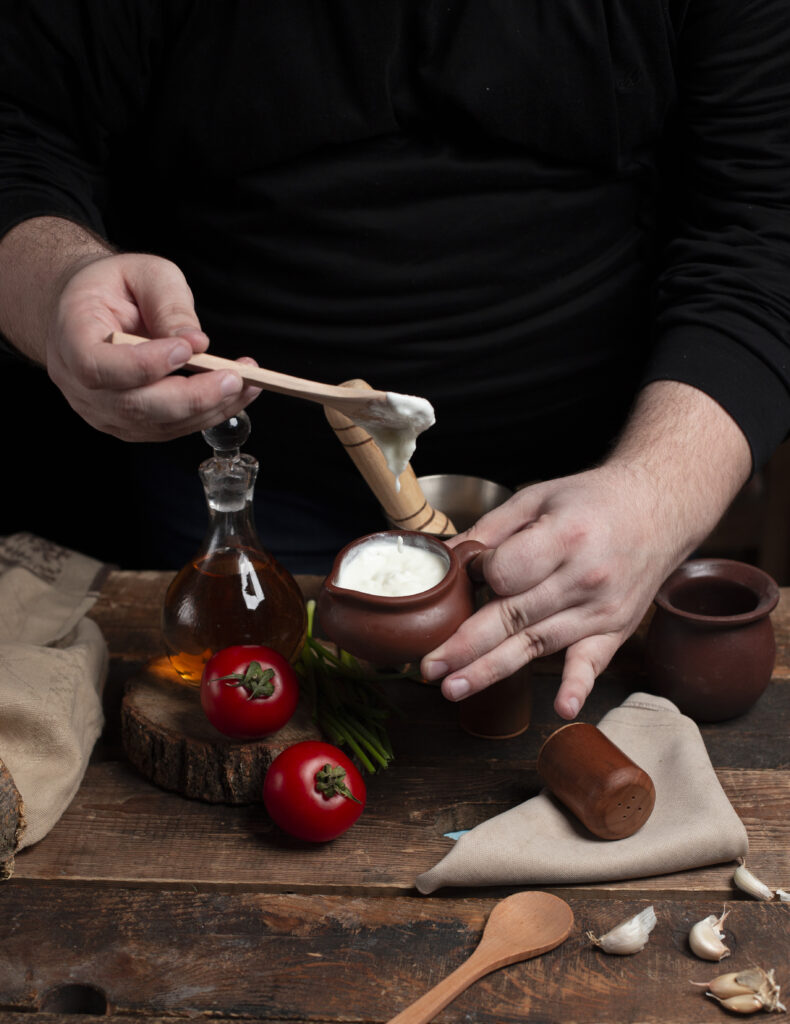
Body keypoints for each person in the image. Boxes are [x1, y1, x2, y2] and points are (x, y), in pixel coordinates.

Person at [0, 1, 787, 721]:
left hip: (595, 517)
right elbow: (19, 132)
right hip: (227, 503)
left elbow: (765, 227)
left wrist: (654, 495)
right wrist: (57, 287)